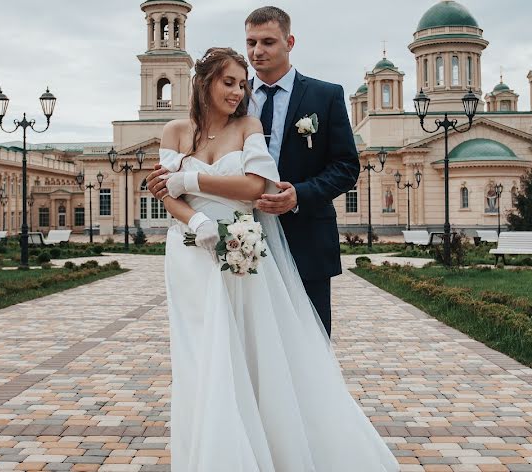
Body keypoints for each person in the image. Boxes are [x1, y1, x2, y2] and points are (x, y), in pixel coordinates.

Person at [153, 47, 397, 471]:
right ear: (204, 82)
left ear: (288, 41)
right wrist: (193, 222)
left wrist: (189, 177)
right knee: (199, 358)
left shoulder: (249, 124)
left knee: (247, 351)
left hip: (241, 249)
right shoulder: (174, 131)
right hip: (190, 256)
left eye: (242, 84)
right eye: (228, 81)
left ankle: (263, 450)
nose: (238, 90)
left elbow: (254, 186)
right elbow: (163, 192)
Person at [149, 6, 359, 337]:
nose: (257, 51)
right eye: (251, 42)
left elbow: (347, 167)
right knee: (246, 344)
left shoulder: (325, 95)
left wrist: (299, 195)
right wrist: (166, 182)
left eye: (268, 42)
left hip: (305, 238)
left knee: (310, 342)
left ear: (289, 42)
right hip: (235, 237)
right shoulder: (233, 99)